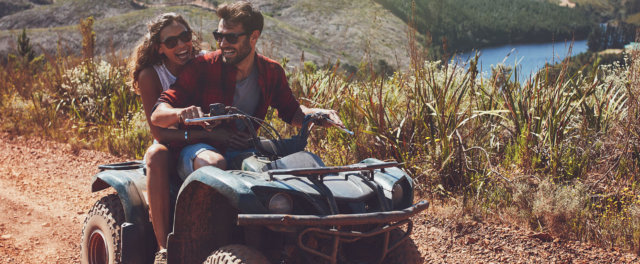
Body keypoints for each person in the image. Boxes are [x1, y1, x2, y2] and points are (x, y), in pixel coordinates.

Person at [151, 1, 343, 181]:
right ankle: (208, 216)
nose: (223, 43)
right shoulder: (202, 66)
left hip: (245, 148)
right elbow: (158, 113)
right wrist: (179, 113)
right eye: (219, 36)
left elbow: (292, 112)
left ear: (254, 37)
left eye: (231, 37)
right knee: (215, 163)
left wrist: (318, 115)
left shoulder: (271, 71)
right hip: (199, 149)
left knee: (302, 167)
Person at [128, 12, 200, 264]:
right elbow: (158, 132)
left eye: (185, 37)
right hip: (171, 143)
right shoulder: (152, 75)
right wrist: (196, 133)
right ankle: (163, 249)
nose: (181, 45)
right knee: (156, 154)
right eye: (172, 42)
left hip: (204, 140)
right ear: (159, 48)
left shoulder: (203, 63)